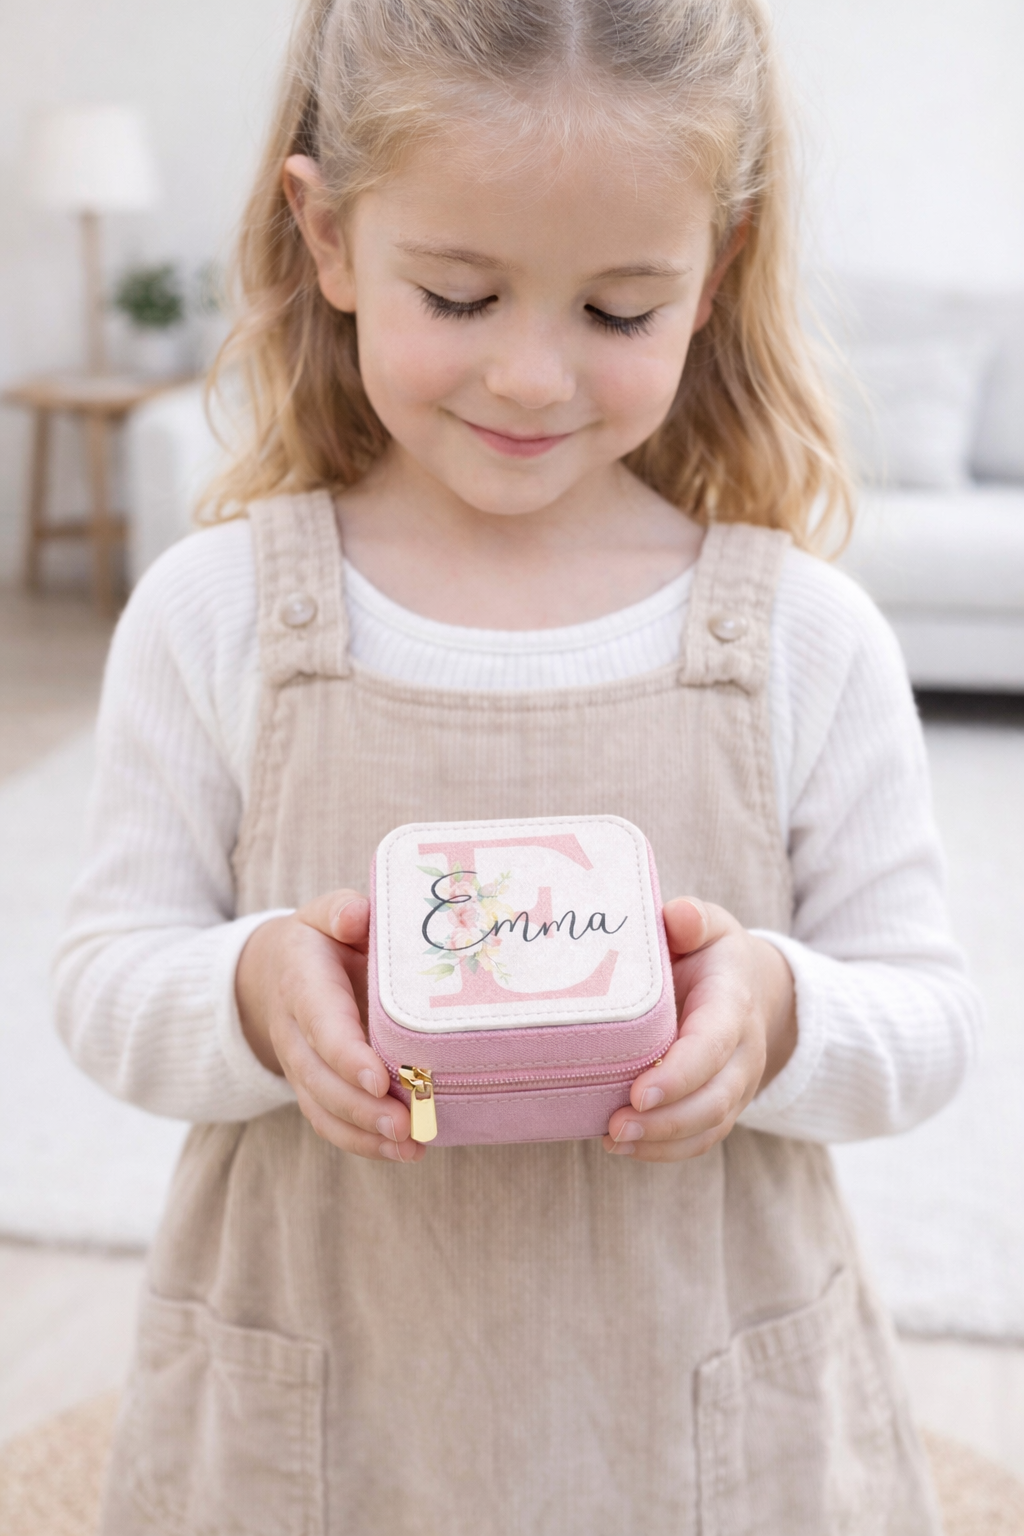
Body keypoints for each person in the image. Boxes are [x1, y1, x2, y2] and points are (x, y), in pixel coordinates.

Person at [54, 1, 981, 1531]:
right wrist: (254, 990)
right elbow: (104, 980)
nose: (534, 376)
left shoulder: (802, 638)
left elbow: (929, 1018)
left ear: (715, 273)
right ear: (329, 236)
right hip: (328, 1407)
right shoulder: (217, 615)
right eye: (461, 295)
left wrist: (775, 1012)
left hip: (695, 1417)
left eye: (618, 312)